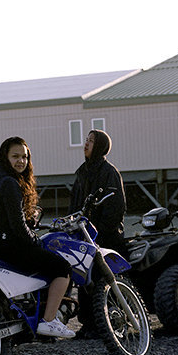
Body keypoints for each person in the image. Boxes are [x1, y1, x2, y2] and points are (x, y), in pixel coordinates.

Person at [0, 136, 75, 338]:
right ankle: (49, 321)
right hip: (7, 247)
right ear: (5, 156)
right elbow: (17, 227)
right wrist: (35, 241)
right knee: (62, 267)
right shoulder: (9, 183)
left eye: (25, 157)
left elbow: (1, 217)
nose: (21, 161)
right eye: (15, 156)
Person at [69, 129, 126, 339]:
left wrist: (100, 231)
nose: (86, 144)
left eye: (91, 141)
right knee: (85, 281)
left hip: (105, 237)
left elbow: (116, 206)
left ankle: (109, 323)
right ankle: (88, 324)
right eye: (86, 140)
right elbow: (74, 203)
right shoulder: (82, 172)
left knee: (103, 281)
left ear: (101, 145)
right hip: (83, 235)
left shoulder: (109, 171)